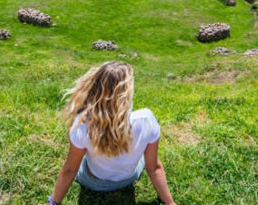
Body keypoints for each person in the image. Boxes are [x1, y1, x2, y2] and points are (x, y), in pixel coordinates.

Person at [47, 62, 176, 205]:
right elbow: (154, 168)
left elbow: (70, 171)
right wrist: (170, 203)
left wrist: (53, 202)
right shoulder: (146, 119)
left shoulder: (82, 124)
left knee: (81, 160)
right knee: (144, 158)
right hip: (130, 177)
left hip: (93, 182)